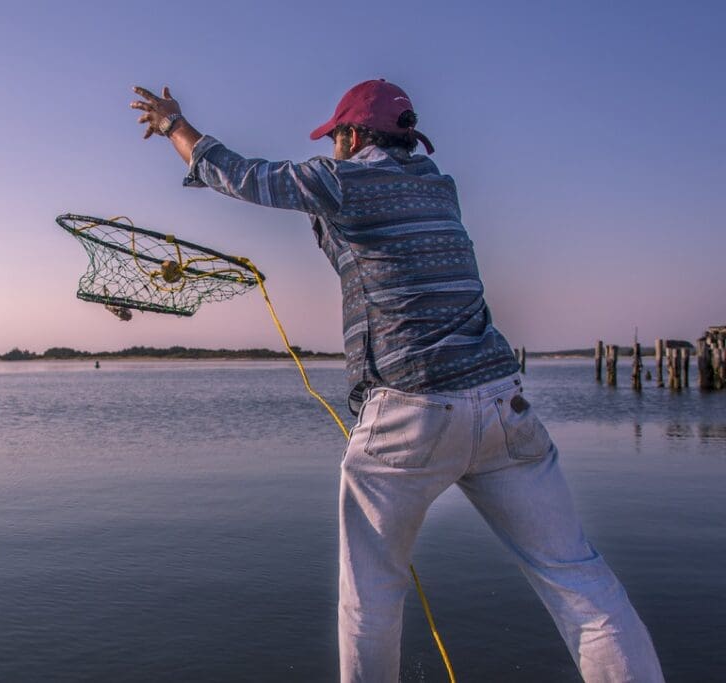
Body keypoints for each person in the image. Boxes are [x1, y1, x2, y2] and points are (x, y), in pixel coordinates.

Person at [129, 79, 663, 683]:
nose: (330, 149)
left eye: (334, 139)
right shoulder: (442, 188)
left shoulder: (344, 180)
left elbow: (244, 176)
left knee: (371, 597)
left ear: (354, 136)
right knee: (580, 581)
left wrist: (176, 126)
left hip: (409, 409)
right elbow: (364, 243)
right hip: (503, 405)